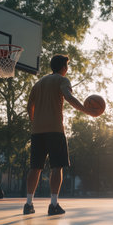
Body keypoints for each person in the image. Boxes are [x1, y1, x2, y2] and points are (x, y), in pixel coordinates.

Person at [24, 54, 99, 215]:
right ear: (63, 68)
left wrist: (34, 121)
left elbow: (29, 106)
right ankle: (53, 204)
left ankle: (28, 203)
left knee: (35, 167)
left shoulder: (38, 83)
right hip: (55, 130)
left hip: (37, 131)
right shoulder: (62, 80)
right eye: (67, 66)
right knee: (57, 167)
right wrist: (87, 110)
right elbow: (69, 97)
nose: (67, 69)